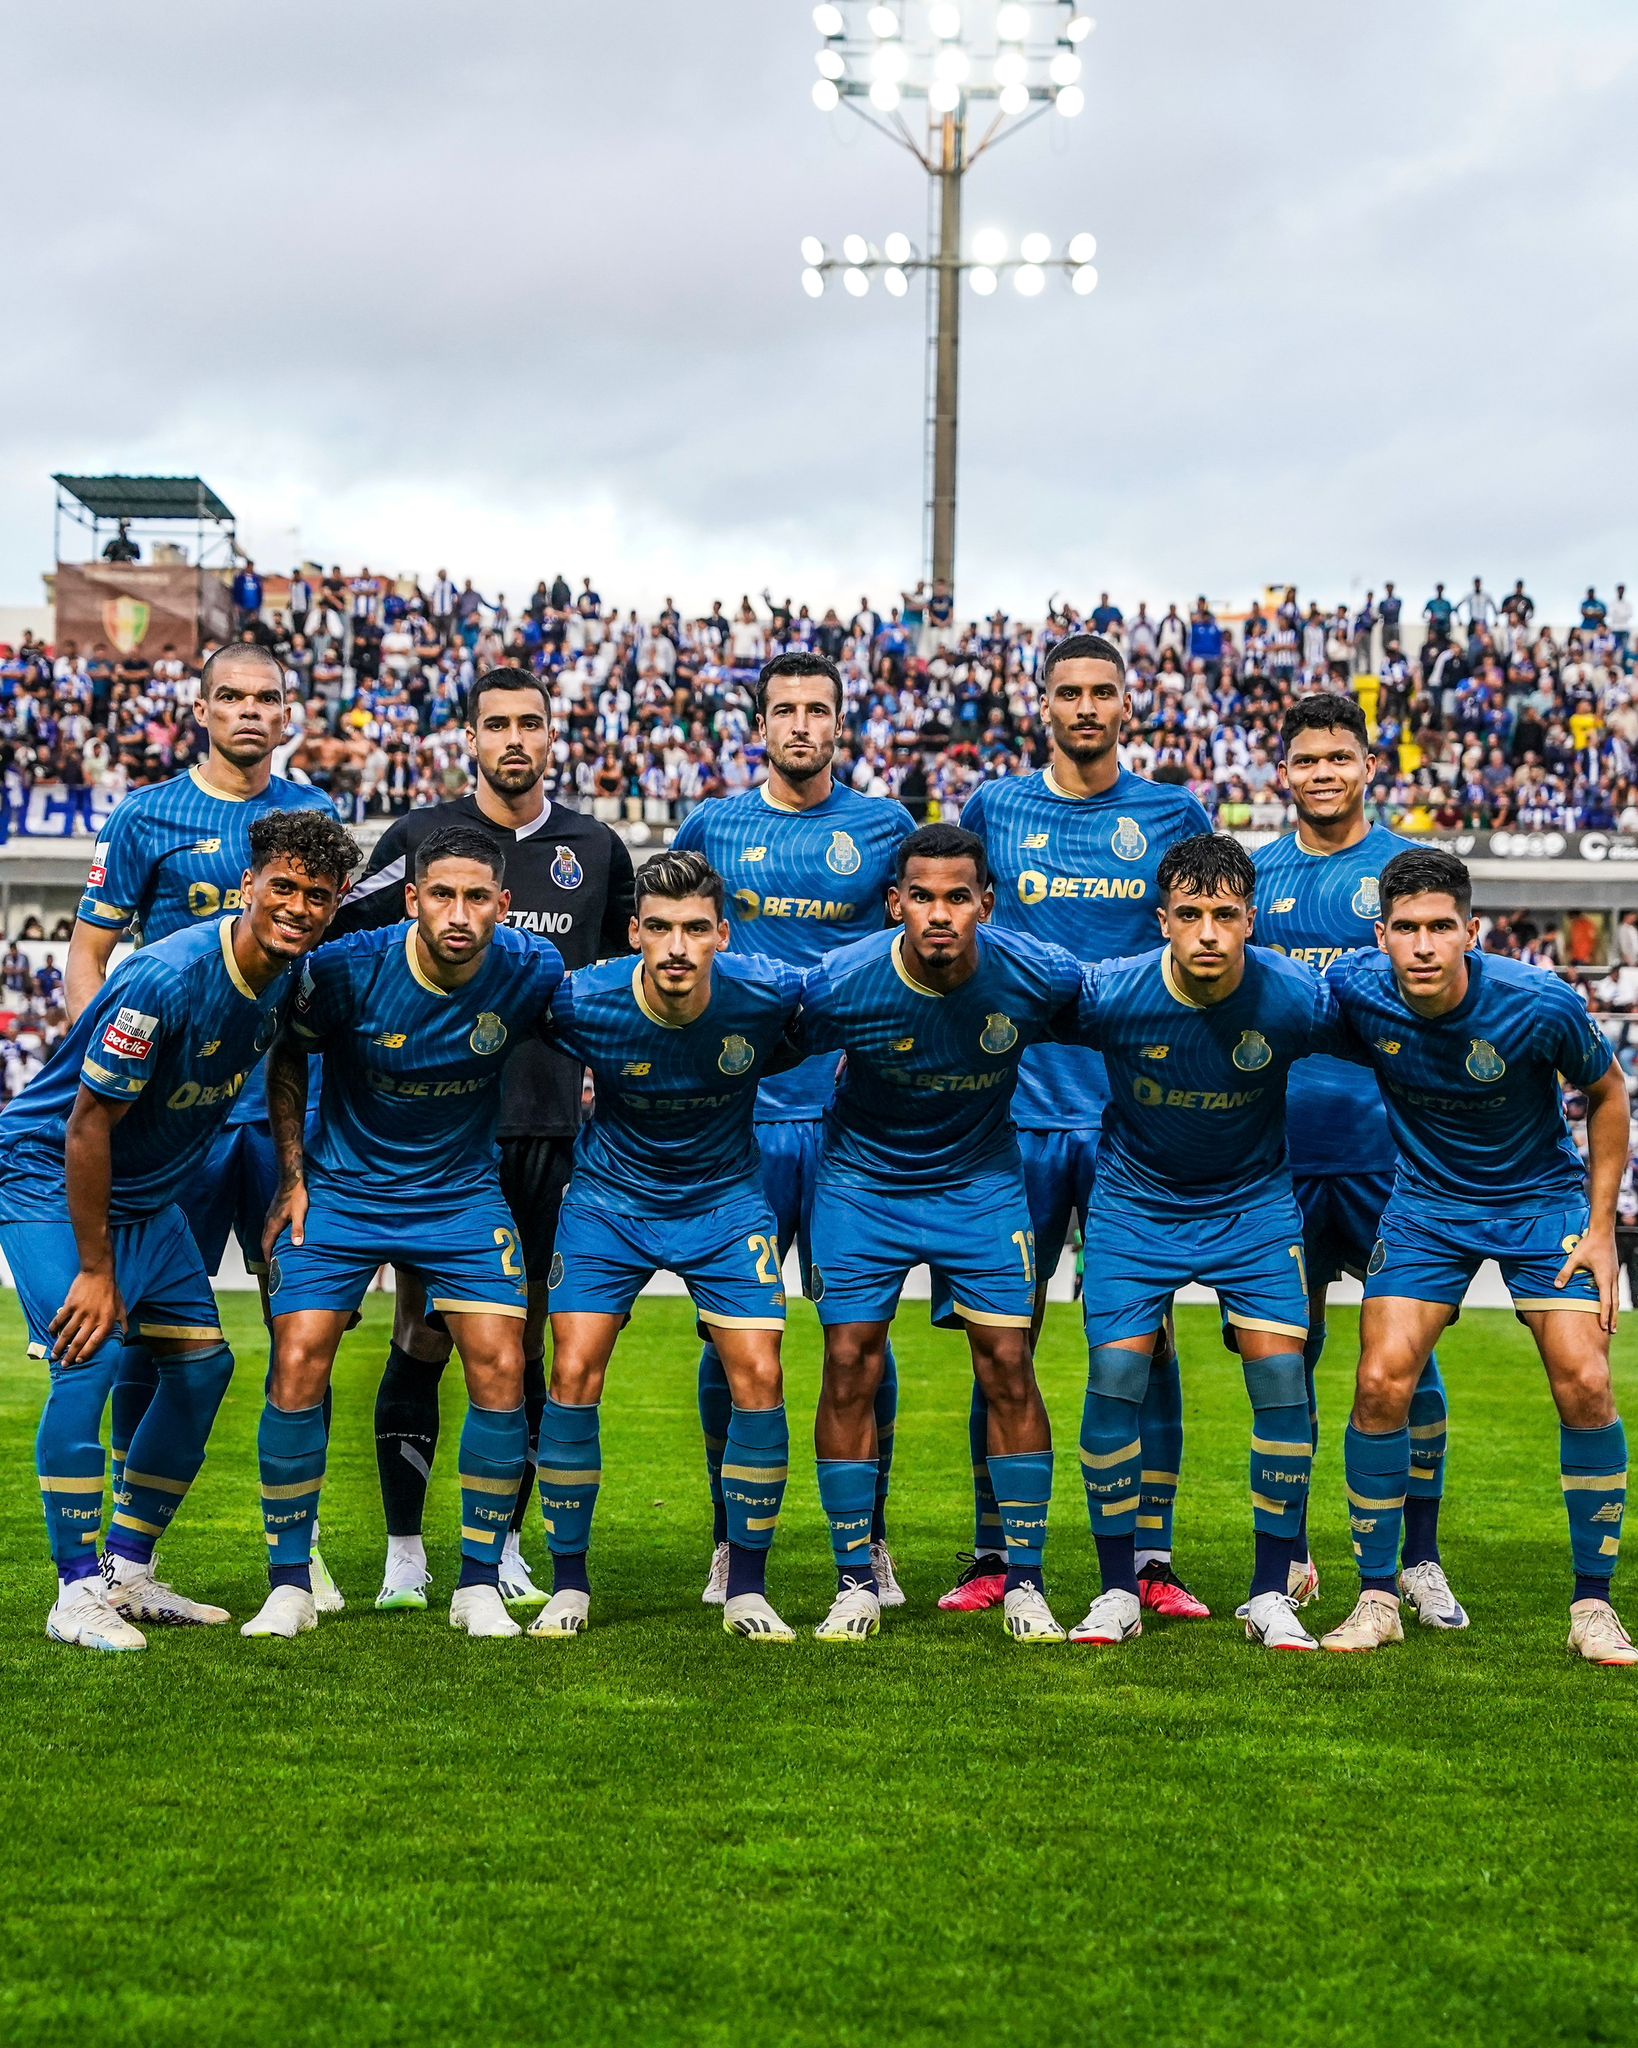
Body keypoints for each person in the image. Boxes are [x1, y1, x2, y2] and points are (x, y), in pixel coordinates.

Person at [0, 808, 356, 1650]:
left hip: (147, 1195)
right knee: (90, 1357)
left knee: (202, 1368)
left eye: (318, 895)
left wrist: (292, 1179)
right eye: (284, 888)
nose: (299, 906)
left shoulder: (289, 979)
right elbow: (86, 1125)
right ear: (247, 887)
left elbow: (286, 1062)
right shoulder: (165, 978)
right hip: (53, 1178)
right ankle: (74, 1592)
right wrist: (95, 1269)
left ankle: (128, 1568)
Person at [331, 669, 633, 1612]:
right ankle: (405, 1550)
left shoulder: (596, 848)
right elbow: (339, 944)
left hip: (547, 1130)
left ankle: (498, 1545)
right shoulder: (418, 839)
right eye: (496, 723)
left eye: (530, 723)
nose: (514, 738)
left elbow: (622, 993)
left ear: (554, 735)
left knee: (523, 1344)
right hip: (439, 1141)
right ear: (469, 737)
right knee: (423, 1336)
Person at [62, 644, 342, 1603]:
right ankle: (126, 1561)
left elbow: (317, 988)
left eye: (267, 698)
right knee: (147, 1332)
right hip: (173, 1124)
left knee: (300, 1320)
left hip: (271, 1112)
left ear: (289, 710)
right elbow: (90, 953)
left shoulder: (313, 819)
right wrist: (107, 1071)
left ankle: (299, 1550)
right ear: (201, 706)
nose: (250, 712)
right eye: (231, 696)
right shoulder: (148, 814)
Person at [244, 826, 565, 1641]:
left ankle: (479, 1584)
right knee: (299, 1353)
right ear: (415, 898)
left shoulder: (532, 970)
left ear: (504, 904)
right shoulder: (350, 968)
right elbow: (288, 1054)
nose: (459, 913)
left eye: (477, 898)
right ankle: (288, 1584)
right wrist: (293, 1174)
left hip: (458, 1195)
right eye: (443, 896)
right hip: (344, 1191)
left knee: (501, 1359)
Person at [1319, 849, 1634, 1665]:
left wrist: (1601, 1228)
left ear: (1471, 931)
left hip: (1540, 1204)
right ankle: (1378, 1595)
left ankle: (1593, 1608)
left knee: (1587, 1379)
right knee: (1381, 1377)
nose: (1423, 946)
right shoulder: (1356, 988)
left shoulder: (1538, 1003)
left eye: (1440, 928)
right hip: (1427, 1206)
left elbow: (1606, 1093)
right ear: (1381, 935)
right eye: (1407, 930)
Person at [956, 631, 1212, 1619]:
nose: (1087, 706)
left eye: (1104, 690)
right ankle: (994, 1549)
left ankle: (1153, 1554)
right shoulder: (993, 809)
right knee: (1000, 1336)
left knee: (1143, 1338)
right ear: (1044, 703)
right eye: (1070, 692)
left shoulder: (1171, 813)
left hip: (1133, 1121)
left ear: (1127, 701)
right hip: (1013, 1114)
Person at [796, 824, 1083, 1646]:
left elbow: (1130, 1010)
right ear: (895, 904)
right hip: (861, 1186)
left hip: (982, 1185)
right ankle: (855, 1579)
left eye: (958, 897)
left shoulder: (1037, 974)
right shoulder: (843, 982)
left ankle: (1025, 1581)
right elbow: (753, 1033)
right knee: (849, 1361)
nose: (940, 914)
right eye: (921, 896)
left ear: (986, 905)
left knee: (1008, 1364)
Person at [1063, 834, 1347, 1654]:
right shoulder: (1109, 995)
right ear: (1163, 922)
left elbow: (1393, 1034)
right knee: (1116, 1371)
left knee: (1284, 1376)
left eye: (1226, 915)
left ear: (1252, 920)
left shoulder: (1297, 997)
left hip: (1253, 1207)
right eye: (1191, 915)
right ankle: (1118, 1588)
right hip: (1134, 1205)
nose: (1209, 933)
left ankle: (1270, 1591)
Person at [672, 651, 915, 1606]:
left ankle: (876, 1538)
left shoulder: (885, 828)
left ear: (841, 724)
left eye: (819, 709)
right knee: (726, 1333)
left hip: (856, 1122)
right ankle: (730, 1540)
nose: (802, 725)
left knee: (862, 1331)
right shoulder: (714, 827)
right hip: (739, 1122)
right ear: (760, 726)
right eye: (785, 711)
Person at [529, 849, 805, 1642]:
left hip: (724, 1204)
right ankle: (570, 1585)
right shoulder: (582, 999)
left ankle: (745, 1585)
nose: (678, 946)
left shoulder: (767, 995)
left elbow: (841, 1017)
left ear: (723, 933)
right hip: (610, 1202)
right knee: (574, 1370)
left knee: (759, 1372)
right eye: (660, 928)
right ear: (634, 933)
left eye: (694, 928)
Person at [1249, 693, 1462, 1627]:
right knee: (1286, 1358)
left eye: (1340, 756)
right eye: (1307, 760)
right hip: (1281, 1156)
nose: (1323, 773)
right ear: (1283, 774)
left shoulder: (1405, 875)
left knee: (1408, 1361)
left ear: (1368, 767)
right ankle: (1291, 1554)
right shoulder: (1255, 880)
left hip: (1392, 1157)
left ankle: (1418, 1559)